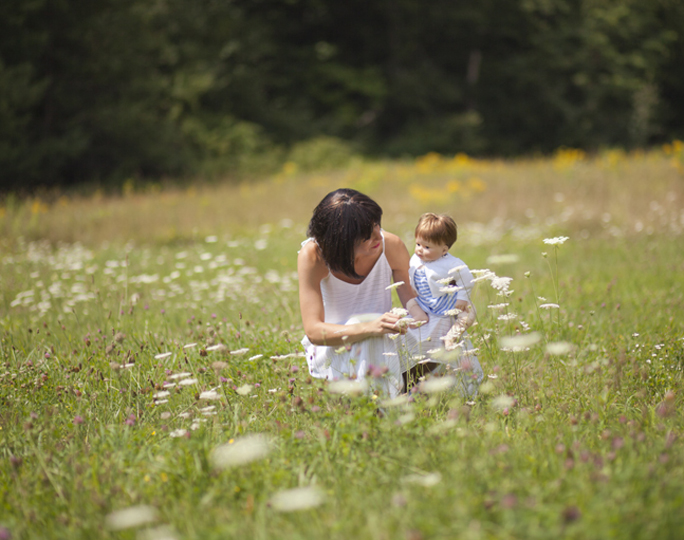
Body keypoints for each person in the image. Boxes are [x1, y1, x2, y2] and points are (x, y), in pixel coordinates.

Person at [298, 189, 482, 397]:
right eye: (367, 235)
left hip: (385, 333)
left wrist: (448, 308)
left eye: (377, 225)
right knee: (369, 332)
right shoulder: (314, 256)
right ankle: (382, 406)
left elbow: (411, 299)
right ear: (341, 241)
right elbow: (314, 331)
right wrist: (370, 326)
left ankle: (457, 394)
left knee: (442, 320)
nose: (379, 236)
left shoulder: (390, 244)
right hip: (337, 343)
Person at [408, 213, 477, 350]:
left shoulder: (451, 263)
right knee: (410, 303)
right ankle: (419, 316)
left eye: (427, 247)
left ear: (444, 249)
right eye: (418, 244)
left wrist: (462, 298)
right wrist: (413, 287)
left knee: (470, 311)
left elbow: (467, 279)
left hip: (446, 302)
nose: (420, 250)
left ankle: (452, 335)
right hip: (425, 302)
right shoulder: (416, 259)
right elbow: (412, 273)